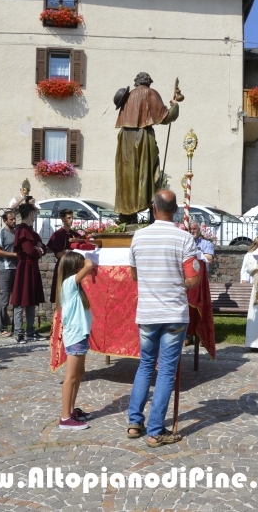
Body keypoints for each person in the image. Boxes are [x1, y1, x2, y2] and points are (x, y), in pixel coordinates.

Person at [126, 190, 200, 448]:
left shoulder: (139, 236)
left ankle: (135, 422)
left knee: (146, 365)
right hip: (173, 313)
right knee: (166, 370)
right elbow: (192, 280)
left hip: (148, 311)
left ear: (154, 208)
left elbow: (134, 275)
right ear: (176, 209)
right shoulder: (184, 239)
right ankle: (156, 430)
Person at [114, 73, 179, 223]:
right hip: (142, 138)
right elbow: (165, 117)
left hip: (124, 139)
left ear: (136, 83)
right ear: (148, 82)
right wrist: (174, 105)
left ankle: (127, 215)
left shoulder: (128, 97)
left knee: (127, 177)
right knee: (148, 174)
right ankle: (152, 215)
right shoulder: (150, 93)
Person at [56, 251, 95, 430]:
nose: (84, 269)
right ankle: (65, 418)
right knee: (70, 377)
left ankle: (71, 410)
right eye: (79, 266)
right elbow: (89, 265)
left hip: (81, 335)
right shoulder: (68, 284)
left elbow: (87, 268)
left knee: (79, 374)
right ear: (74, 268)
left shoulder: (75, 286)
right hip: (75, 337)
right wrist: (88, 255)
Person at [11, 203, 46, 344]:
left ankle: (30, 331)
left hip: (33, 267)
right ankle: (19, 332)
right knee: (20, 301)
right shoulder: (22, 230)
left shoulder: (31, 231)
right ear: (30, 214)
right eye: (34, 214)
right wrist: (37, 249)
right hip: (25, 266)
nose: (35, 217)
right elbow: (31, 250)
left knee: (31, 301)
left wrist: (38, 249)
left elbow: (42, 248)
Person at [47, 209, 80, 303]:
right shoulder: (57, 235)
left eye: (72, 218)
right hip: (63, 266)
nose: (71, 220)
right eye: (69, 218)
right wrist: (69, 253)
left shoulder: (76, 235)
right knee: (61, 293)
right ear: (62, 219)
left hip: (75, 267)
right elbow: (58, 254)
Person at [0, 210, 18, 336]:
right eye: (11, 219)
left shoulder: (17, 233)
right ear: (5, 220)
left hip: (17, 269)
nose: (14, 221)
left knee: (16, 299)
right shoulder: (0, 233)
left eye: (14, 219)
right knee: (4, 300)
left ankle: (16, 327)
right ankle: (2, 328)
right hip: (5, 269)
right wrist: (15, 254)